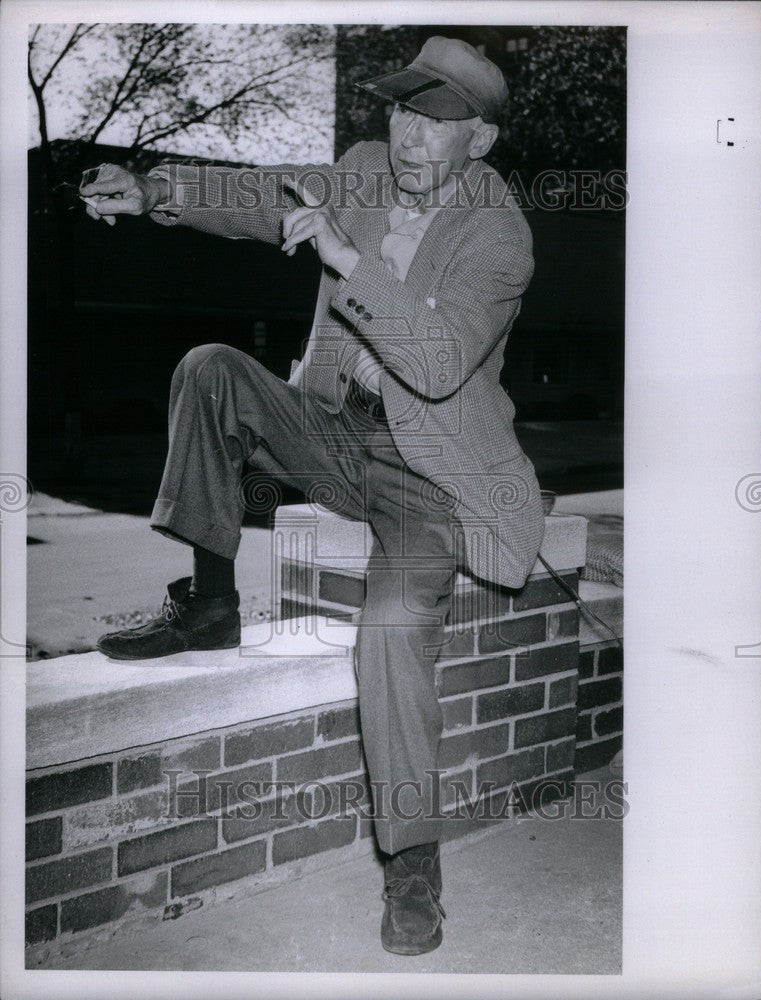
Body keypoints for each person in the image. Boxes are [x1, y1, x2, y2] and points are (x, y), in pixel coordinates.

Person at [81, 35, 545, 956]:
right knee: (211, 368)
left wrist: (341, 256)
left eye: (439, 121)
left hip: (429, 472)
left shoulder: (499, 233)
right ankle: (210, 604)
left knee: (393, 628)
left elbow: (442, 362)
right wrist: (156, 189)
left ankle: (412, 862)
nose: (411, 136)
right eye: (404, 111)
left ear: (480, 143)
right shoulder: (366, 169)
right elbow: (266, 193)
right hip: (333, 429)